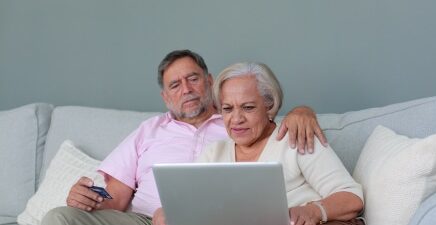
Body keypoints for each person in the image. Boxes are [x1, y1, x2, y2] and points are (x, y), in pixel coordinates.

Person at [41, 50, 327, 225]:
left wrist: (304, 110)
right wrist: (86, 197)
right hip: (144, 220)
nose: (186, 89)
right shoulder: (148, 130)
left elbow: (272, 122)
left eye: (193, 78)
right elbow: (114, 198)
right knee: (59, 218)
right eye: (175, 85)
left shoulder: (237, 122)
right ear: (165, 98)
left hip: (208, 221)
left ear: (210, 82)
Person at [191, 62, 364, 225]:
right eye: (227, 109)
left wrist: (312, 211)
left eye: (248, 107)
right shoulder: (212, 153)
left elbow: (352, 198)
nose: (236, 119)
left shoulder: (296, 137)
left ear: (269, 105)